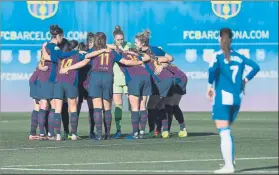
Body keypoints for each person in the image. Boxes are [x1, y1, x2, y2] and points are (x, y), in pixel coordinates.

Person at [60, 32, 143, 140]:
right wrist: (138, 62)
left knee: (97, 108)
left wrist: (68, 68)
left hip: (95, 78)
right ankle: (107, 134)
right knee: (107, 108)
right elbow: (125, 62)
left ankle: (99, 134)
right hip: (108, 78)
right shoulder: (111, 52)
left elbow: (83, 62)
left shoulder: (93, 51)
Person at [206, 28, 260, 174]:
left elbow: (212, 72)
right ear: (231, 40)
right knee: (226, 131)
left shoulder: (217, 55)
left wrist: (210, 86)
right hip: (237, 97)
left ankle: (229, 165)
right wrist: (245, 80)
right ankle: (231, 159)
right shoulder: (240, 56)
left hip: (223, 97)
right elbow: (256, 67)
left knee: (223, 131)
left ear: (219, 39)